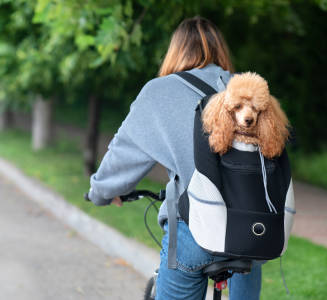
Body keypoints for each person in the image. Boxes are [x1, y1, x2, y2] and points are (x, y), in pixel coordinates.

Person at [86, 16, 262, 300]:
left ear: (176, 51)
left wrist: (101, 192)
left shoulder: (159, 92)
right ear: (221, 51)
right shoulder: (247, 92)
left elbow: (124, 156)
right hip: (251, 233)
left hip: (193, 230)